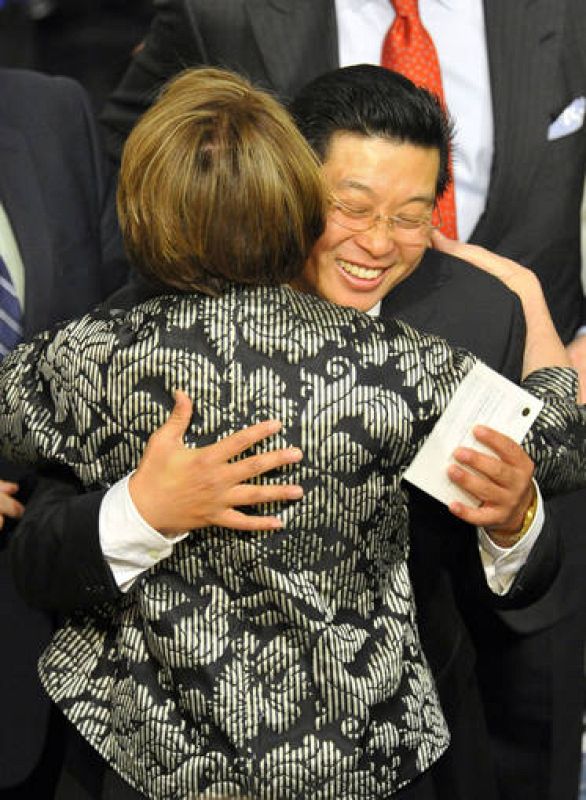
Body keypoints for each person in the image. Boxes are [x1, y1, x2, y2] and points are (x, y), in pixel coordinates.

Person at [1, 66, 583, 800]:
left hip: (390, 761)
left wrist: (515, 519)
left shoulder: (475, 316)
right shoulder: (145, 313)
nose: (378, 243)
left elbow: (540, 485)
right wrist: (140, 511)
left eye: (410, 216)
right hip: (135, 762)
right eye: (352, 207)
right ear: (290, 186)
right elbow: (563, 437)